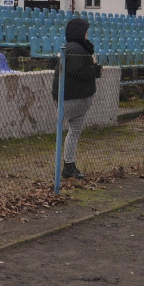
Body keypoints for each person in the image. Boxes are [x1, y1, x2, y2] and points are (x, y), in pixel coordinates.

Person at [51, 17, 102, 180]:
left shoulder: (78, 47)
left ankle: (69, 165)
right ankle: (65, 167)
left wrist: (94, 68)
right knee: (70, 131)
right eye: (86, 30)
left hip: (77, 97)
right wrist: (95, 69)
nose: (88, 33)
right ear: (79, 32)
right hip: (71, 97)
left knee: (74, 132)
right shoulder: (76, 48)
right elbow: (77, 70)